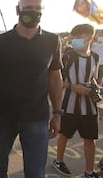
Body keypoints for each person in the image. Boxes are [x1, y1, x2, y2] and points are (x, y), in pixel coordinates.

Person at [0, 0, 63, 178]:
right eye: (27, 8)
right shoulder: (0, 42)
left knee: (36, 172)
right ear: (18, 9)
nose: (32, 12)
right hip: (4, 116)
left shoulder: (53, 41)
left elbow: (55, 78)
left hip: (37, 117)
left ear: (43, 10)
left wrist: (58, 113)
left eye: (37, 8)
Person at [52, 24, 101, 178]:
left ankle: (89, 171)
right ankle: (58, 161)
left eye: (79, 36)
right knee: (65, 134)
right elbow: (56, 79)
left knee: (90, 138)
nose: (75, 40)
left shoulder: (95, 57)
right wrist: (73, 87)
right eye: (74, 37)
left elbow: (93, 77)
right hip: (69, 103)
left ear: (90, 37)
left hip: (89, 105)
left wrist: (94, 88)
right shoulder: (68, 56)